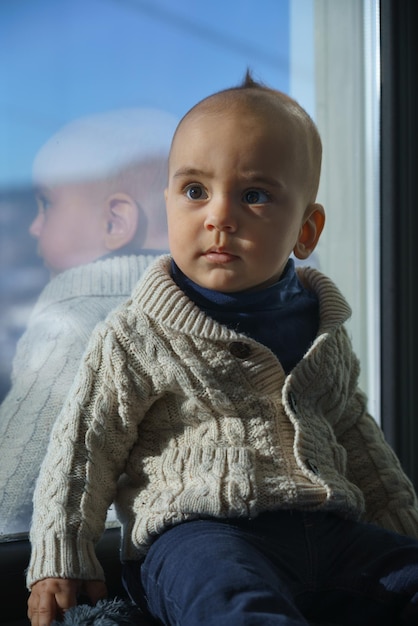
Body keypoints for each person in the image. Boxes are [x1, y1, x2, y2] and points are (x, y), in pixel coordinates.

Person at [27, 74, 418, 626]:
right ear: (168, 208)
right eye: (195, 191)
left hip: (333, 535)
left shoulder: (321, 326)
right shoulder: (136, 332)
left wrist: (399, 529)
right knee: (232, 604)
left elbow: (357, 436)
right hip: (200, 535)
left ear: (306, 230)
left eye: (254, 195)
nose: (219, 216)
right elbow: (85, 448)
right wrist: (60, 555)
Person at [0, 107, 177, 536]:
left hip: (85, 562)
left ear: (115, 222)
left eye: (46, 204)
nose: (36, 227)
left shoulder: (72, 318)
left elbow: (11, 487)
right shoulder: (201, 306)